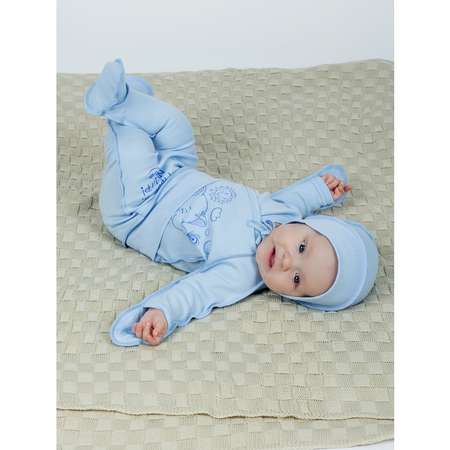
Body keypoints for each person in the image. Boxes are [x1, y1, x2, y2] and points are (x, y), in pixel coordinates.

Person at [84, 59, 379, 347]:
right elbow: (301, 197)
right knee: (176, 125)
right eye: (302, 248)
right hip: (179, 170)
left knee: (133, 150)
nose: (288, 262)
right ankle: (128, 101)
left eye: (297, 279)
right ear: (307, 225)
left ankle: (121, 103)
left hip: (138, 208)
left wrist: (163, 312)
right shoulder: (283, 213)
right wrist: (323, 189)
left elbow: (198, 292)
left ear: (294, 297)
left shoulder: (242, 273)